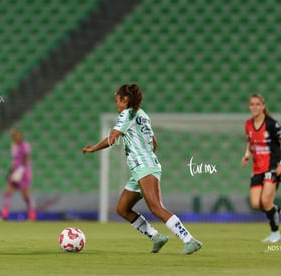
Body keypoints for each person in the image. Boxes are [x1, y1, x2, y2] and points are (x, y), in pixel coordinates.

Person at [82, 84, 202, 254]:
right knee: (122, 209)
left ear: (125, 100)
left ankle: (189, 240)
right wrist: (144, 156)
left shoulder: (126, 114)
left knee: (156, 207)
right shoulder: (142, 115)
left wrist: (93, 148)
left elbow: (113, 138)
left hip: (144, 167)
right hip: (142, 167)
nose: (116, 105)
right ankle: (156, 237)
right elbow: (154, 143)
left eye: (117, 101)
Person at [241, 94, 281, 242]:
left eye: (258, 104)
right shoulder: (248, 124)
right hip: (257, 168)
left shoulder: (271, 124)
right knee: (256, 204)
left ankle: (275, 233)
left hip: (272, 167)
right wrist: (247, 155)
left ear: (263, 106)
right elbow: (251, 143)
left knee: (265, 201)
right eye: (252, 104)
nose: (254, 107)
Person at [0, 129, 36, 221]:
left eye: (15, 135)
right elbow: (15, 160)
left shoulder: (24, 145)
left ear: (19, 135)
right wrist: (10, 171)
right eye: (13, 135)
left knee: (25, 194)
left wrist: (21, 169)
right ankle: (4, 215)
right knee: (8, 192)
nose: (14, 137)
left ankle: (32, 216)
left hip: (24, 173)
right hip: (15, 172)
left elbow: (26, 156)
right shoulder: (14, 145)